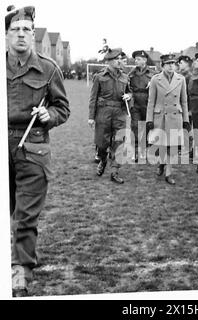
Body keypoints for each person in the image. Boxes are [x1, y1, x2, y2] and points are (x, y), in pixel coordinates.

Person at [6, 5, 70, 296]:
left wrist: (49, 116)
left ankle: (21, 269)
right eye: (15, 29)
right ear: (6, 34)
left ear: (33, 35)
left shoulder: (48, 68)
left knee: (26, 214)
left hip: (32, 147)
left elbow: (62, 108)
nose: (21, 34)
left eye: (26, 30)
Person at [88, 48, 132, 184]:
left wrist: (129, 96)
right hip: (103, 112)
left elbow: (130, 93)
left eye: (121, 59)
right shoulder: (99, 76)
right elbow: (93, 98)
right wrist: (91, 116)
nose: (120, 61)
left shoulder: (125, 77)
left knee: (119, 143)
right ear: (110, 61)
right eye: (117, 59)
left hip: (119, 112)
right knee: (101, 143)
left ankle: (114, 171)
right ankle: (102, 158)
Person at [146, 54, 190, 185]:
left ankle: (169, 173)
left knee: (172, 146)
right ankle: (161, 163)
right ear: (162, 65)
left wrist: (186, 119)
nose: (171, 66)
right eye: (168, 64)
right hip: (160, 116)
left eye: (173, 63)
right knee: (160, 145)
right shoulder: (155, 79)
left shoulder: (181, 79)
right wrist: (149, 119)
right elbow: (151, 101)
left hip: (175, 116)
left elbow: (184, 101)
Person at [129, 50, 156, 162]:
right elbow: (127, 87)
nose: (136, 61)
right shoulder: (132, 73)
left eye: (139, 59)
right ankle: (134, 152)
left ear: (144, 60)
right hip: (135, 103)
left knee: (145, 127)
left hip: (147, 103)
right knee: (135, 126)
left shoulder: (153, 74)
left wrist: (153, 83)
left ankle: (143, 151)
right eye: (135, 59)